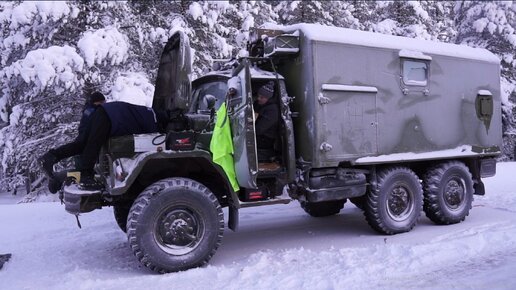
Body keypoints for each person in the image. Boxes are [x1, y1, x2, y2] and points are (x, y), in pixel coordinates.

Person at [77, 101, 168, 190]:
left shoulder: (147, 111)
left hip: (107, 117)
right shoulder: (151, 119)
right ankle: (85, 177)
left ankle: (85, 174)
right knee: (92, 144)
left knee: (86, 144)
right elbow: (154, 139)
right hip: (108, 118)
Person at [39, 92, 106, 193]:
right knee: (85, 170)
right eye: (100, 103)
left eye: (103, 102)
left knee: (81, 161)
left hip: (86, 143)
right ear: (95, 102)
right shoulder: (92, 111)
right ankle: (52, 162)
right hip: (88, 144)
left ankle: (53, 168)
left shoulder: (89, 110)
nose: (103, 105)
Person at [253, 81, 279, 162]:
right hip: (257, 133)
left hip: (265, 138)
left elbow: (260, 129)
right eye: (258, 96)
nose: (258, 98)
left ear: (268, 98)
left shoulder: (272, 110)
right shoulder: (258, 104)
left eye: (262, 97)